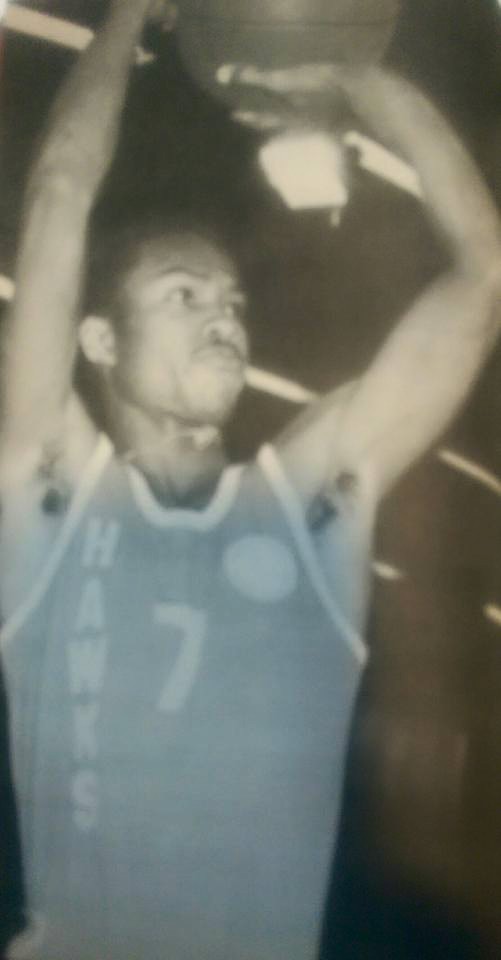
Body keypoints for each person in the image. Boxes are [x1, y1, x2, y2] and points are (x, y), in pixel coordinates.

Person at [0, 2, 499, 959]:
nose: (224, 319)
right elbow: (59, 188)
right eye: (183, 296)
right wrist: (131, 14)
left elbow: (484, 274)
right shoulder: (50, 489)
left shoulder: (311, 503)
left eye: (230, 302)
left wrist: (357, 76)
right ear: (99, 340)